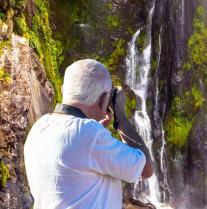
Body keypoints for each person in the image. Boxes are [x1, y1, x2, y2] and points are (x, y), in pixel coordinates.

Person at [24, 59, 153, 209]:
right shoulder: (88, 134)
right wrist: (121, 117)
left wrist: (96, 133)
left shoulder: (39, 127)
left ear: (63, 89)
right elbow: (146, 169)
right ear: (104, 98)